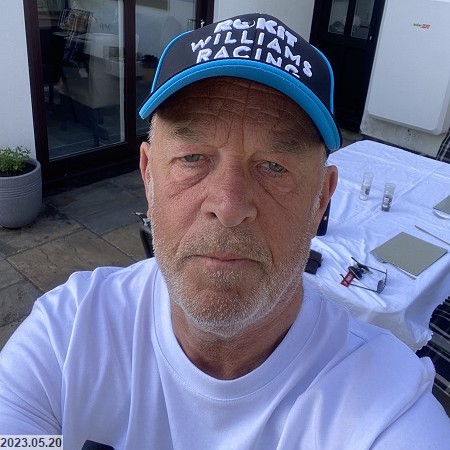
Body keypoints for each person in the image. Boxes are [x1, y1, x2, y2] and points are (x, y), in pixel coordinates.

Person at [0, 13, 449, 449]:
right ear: (149, 176)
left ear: (321, 201)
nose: (229, 207)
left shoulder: (386, 407)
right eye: (193, 157)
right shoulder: (67, 335)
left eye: (274, 166)